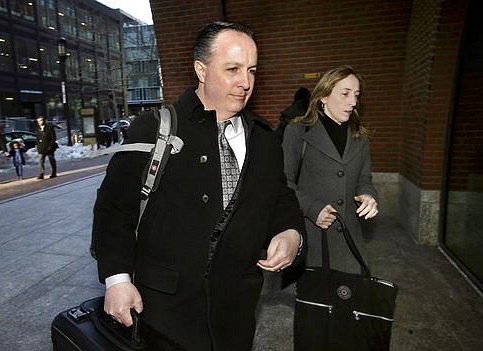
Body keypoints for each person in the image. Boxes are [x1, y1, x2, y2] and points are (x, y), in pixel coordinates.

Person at [92, 21, 306, 351]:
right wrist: (117, 280)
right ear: (201, 70)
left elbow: (281, 197)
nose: (245, 82)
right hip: (163, 315)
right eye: (232, 69)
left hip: (235, 313)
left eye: (251, 70)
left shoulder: (265, 141)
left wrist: (291, 232)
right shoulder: (154, 129)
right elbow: (113, 210)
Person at [282, 65, 379, 350]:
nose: (353, 102)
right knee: (316, 316)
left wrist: (369, 196)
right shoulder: (298, 131)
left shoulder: (360, 137)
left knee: (349, 318)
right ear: (324, 96)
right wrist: (312, 208)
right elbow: (283, 183)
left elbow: (366, 181)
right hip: (314, 238)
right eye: (346, 93)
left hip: (350, 241)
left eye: (356, 95)